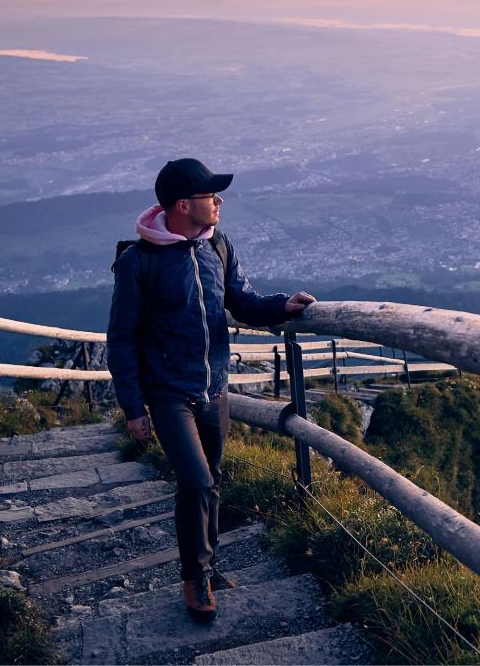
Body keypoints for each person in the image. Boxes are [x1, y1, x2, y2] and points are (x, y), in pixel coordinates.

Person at [106, 158, 316, 622]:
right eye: (210, 195)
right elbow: (121, 338)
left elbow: (240, 300)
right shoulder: (138, 263)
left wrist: (283, 305)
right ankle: (195, 576)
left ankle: (210, 565)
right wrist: (133, 406)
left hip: (214, 389)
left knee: (213, 481)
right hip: (168, 393)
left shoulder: (217, 246)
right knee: (196, 481)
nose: (219, 202)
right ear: (183, 205)